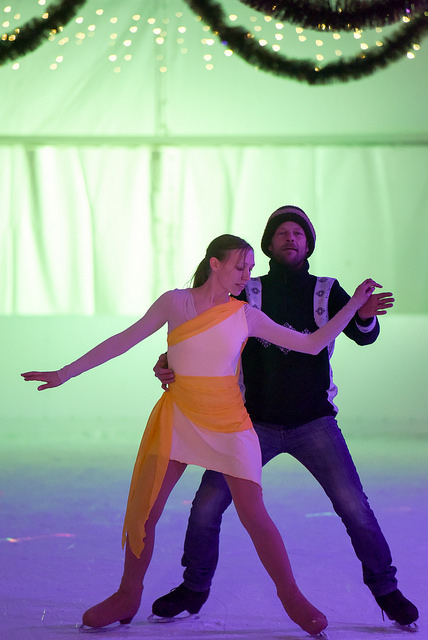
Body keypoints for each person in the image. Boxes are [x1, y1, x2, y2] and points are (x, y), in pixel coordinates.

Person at [22, 233, 379, 637]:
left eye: (249, 268)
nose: (246, 275)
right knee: (145, 512)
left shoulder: (246, 315)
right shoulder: (175, 302)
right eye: (239, 266)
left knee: (254, 514)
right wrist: (64, 373)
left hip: (229, 424)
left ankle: (292, 597)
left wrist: (353, 305)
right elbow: (124, 341)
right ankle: (127, 594)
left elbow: (312, 345)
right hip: (178, 418)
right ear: (214, 263)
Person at [151, 208, 419, 629]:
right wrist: (168, 360)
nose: (290, 238)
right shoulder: (246, 289)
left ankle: (386, 590)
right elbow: (202, 333)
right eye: (281, 233)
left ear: (308, 244)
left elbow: (362, 335)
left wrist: (364, 316)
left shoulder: (327, 289)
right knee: (206, 504)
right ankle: (193, 588)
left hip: (314, 422)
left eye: (298, 233)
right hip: (249, 424)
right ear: (268, 245)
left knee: (354, 505)